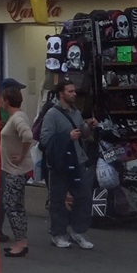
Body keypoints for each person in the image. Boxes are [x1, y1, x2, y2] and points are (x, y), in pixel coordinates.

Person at [39, 79, 96, 249]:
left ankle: (78, 231)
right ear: (61, 94)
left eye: (74, 91)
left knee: (84, 197)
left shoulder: (76, 112)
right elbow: (45, 139)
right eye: (70, 91)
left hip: (78, 161)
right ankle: (58, 234)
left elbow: (82, 133)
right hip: (60, 163)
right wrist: (67, 137)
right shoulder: (52, 114)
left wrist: (89, 127)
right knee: (58, 199)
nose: (74, 94)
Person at [0, 82, 34, 257]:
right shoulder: (18, 116)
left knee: (12, 206)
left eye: (2, 97)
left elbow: (27, 135)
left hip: (14, 170)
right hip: (16, 169)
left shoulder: (17, 118)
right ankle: (22, 241)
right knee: (18, 206)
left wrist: (21, 155)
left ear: (6, 101)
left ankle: (19, 243)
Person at [0, 76, 26, 241]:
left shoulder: (13, 111)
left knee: (7, 195)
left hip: (8, 157)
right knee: (2, 194)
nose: (19, 94)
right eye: (16, 91)